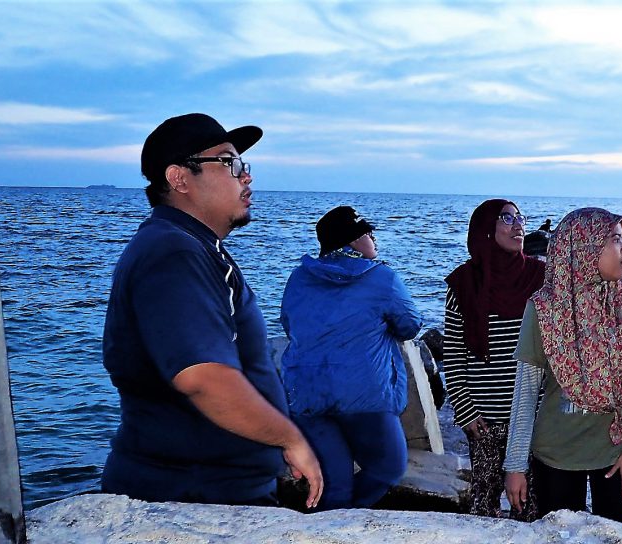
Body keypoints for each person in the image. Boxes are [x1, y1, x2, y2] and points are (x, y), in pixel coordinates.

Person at [101, 113, 322, 507]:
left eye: (244, 165)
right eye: (229, 162)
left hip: (209, 490)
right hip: (189, 500)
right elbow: (204, 377)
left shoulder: (190, 246)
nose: (246, 176)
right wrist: (290, 438)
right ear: (179, 179)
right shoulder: (175, 252)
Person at [503, 207, 622, 523]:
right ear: (584, 249)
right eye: (615, 240)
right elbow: (526, 393)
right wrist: (515, 465)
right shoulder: (544, 309)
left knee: (621, 535)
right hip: (556, 454)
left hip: (619, 452)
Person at [280, 205, 422, 510]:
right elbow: (410, 325)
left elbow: (288, 323)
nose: (374, 237)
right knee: (389, 467)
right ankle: (348, 521)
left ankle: (332, 522)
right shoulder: (382, 277)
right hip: (365, 396)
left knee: (335, 484)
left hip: (306, 396)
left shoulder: (298, 278)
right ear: (353, 241)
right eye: (368, 232)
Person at [443, 199, 545, 519]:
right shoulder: (462, 283)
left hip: (534, 419)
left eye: (520, 218)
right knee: (483, 510)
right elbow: (454, 354)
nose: (519, 225)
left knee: (532, 512)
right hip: (484, 422)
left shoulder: (540, 277)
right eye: (507, 218)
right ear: (486, 229)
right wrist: (464, 409)